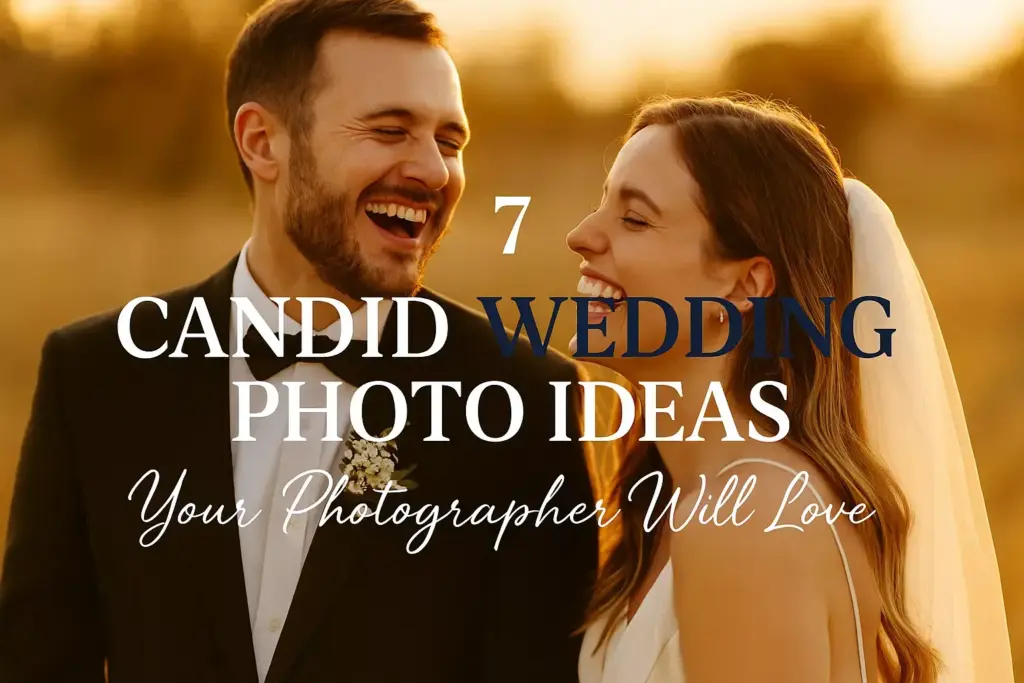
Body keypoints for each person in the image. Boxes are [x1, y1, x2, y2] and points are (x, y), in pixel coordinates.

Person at [0, 1, 598, 682]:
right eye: (390, 129)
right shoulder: (97, 378)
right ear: (262, 142)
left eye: (450, 141)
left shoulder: (525, 402)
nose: (434, 171)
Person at [566, 95, 1014, 683]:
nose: (580, 236)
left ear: (747, 283)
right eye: (602, 207)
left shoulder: (747, 520)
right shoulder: (692, 507)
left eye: (635, 218)